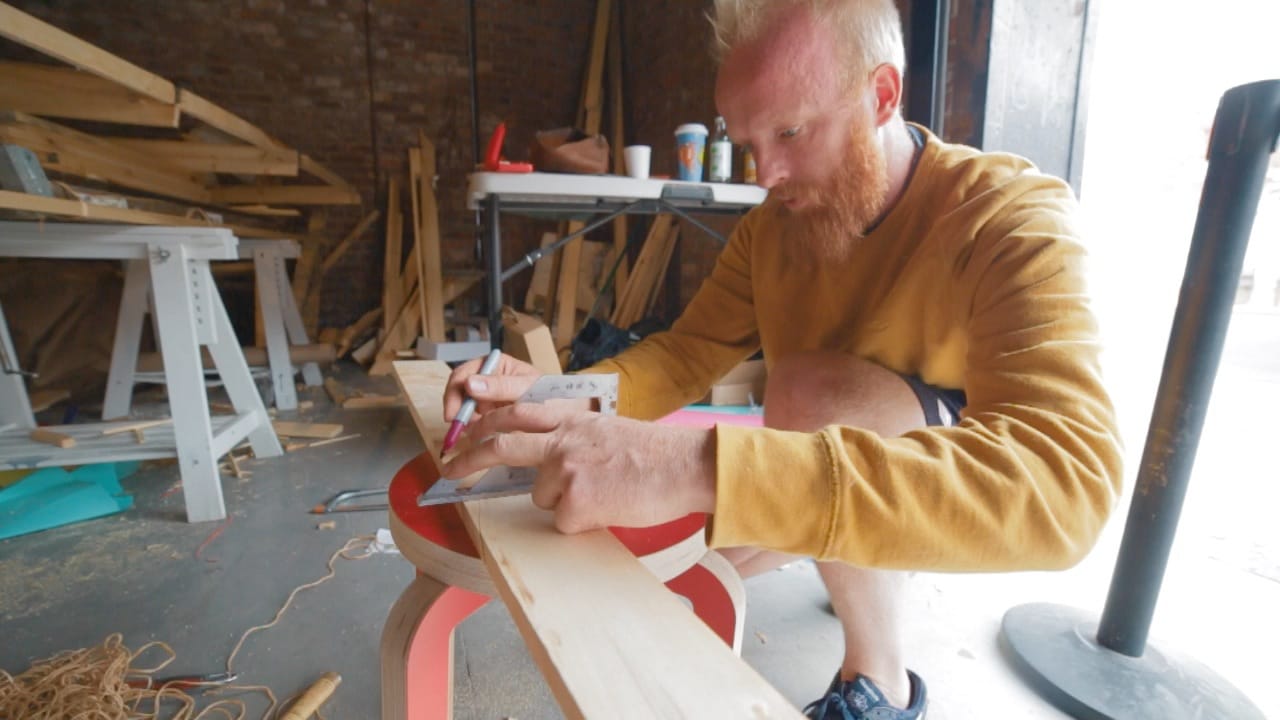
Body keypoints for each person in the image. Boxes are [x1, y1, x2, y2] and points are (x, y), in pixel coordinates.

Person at [441, 0, 1124, 717]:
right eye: (748, 142)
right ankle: (839, 554)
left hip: (948, 482)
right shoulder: (775, 227)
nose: (766, 174)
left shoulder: (1011, 214)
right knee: (671, 575)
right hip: (838, 456)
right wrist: (559, 392)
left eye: (792, 131)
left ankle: (880, 682)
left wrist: (689, 466)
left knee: (803, 397)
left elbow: (1067, 486)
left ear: (882, 95)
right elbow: (685, 354)